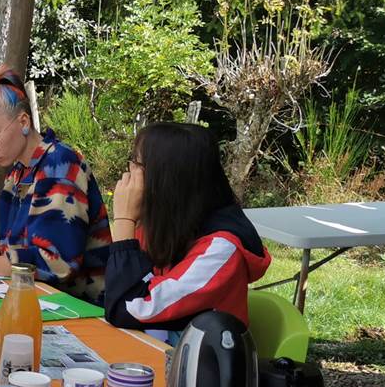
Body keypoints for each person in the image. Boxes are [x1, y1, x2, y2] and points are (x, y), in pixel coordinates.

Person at [0, 68, 111, 303]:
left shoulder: (60, 165)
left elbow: (58, 264)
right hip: (39, 299)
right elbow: (26, 242)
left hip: (78, 306)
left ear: (23, 121)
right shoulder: (19, 172)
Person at [103, 121, 271, 332]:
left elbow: (129, 307)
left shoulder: (220, 250)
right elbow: (115, 290)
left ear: (166, 179)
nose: (128, 174)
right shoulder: (164, 222)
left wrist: (123, 219)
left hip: (200, 352)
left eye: (137, 164)